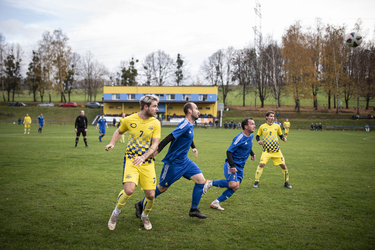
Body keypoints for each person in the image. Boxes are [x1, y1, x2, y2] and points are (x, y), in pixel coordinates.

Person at [134, 102, 208, 220]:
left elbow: (188, 136)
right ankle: (140, 204)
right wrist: (156, 151)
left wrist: (193, 147)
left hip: (185, 161)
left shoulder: (190, 124)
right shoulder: (185, 124)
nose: (198, 111)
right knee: (162, 188)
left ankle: (194, 209)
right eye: (196, 108)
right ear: (189, 111)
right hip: (173, 163)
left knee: (201, 180)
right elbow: (170, 137)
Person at [106, 95, 161, 231]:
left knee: (151, 195)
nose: (157, 109)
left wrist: (143, 157)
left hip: (147, 162)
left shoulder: (156, 123)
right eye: (154, 106)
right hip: (131, 160)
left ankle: (145, 215)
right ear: (146, 107)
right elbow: (119, 131)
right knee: (129, 190)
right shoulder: (129, 119)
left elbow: (155, 145)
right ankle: (115, 213)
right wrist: (112, 143)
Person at [203, 118, 256, 211]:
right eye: (252, 124)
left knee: (236, 186)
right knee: (232, 184)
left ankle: (216, 202)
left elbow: (247, 146)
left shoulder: (250, 135)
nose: (254, 125)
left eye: (254, 124)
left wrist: (252, 153)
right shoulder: (239, 137)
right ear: (246, 126)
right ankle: (210, 183)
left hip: (241, 167)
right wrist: (232, 166)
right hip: (232, 164)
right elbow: (229, 151)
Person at [253, 111, 292, 189]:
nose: (272, 118)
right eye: (270, 116)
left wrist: (283, 138)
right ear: (266, 117)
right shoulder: (262, 126)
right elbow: (257, 136)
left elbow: (280, 135)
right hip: (266, 151)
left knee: (284, 166)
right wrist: (259, 141)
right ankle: (256, 181)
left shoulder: (277, 126)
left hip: (276, 151)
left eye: (273, 116)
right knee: (261, 165)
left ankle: (286, 182)